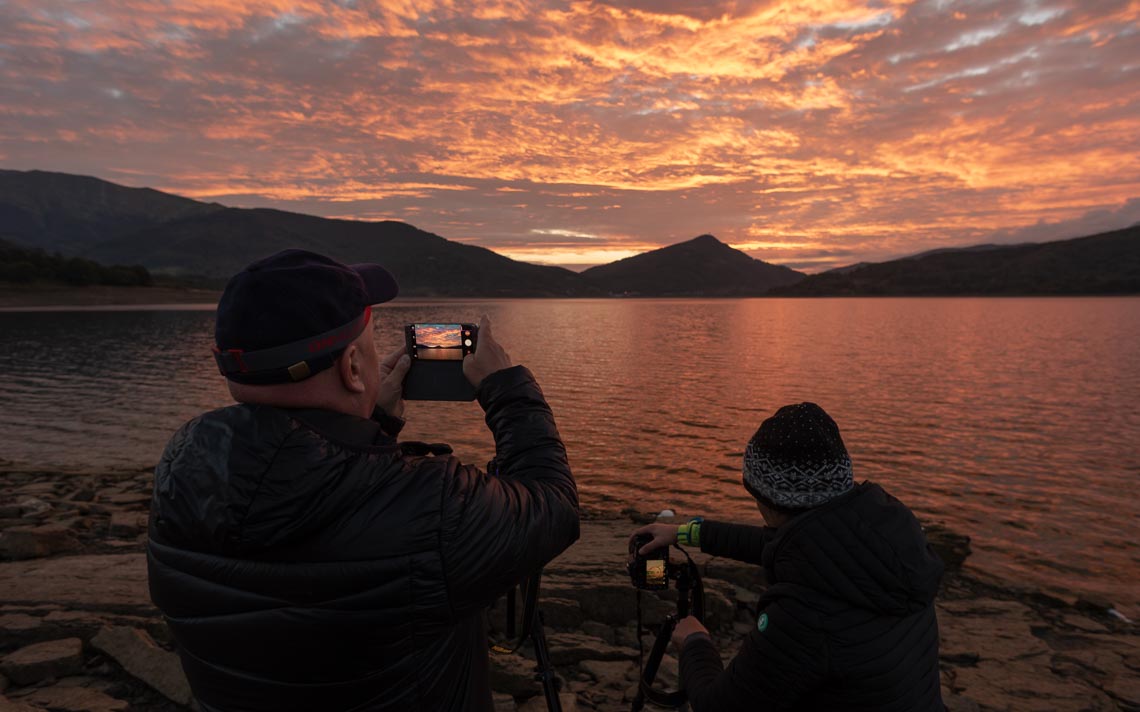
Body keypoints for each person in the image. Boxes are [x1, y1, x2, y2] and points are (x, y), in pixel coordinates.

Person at [146, 249, 580, 712]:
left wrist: (369, 427)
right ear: (352, 367)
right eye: (371, 347)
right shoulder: (430, 509)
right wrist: (509, 389)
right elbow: (554, 506)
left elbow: (306, 502)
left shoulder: (184, 470)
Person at [632, 402, 945, 711]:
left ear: (765, 497)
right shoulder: (890, 541)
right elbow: (778, 545)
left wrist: (694, 643)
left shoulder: (805, 615)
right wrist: (685, 533)